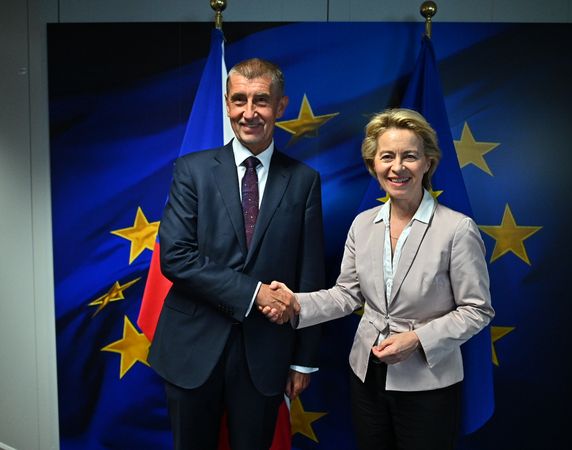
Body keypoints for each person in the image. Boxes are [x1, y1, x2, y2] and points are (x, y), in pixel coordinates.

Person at [263, 108, 494, 450]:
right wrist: (295, 302)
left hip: (428, 384)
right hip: (366, 375)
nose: (397, 167)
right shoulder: (362, 224)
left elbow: (477, 310)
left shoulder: (457, 229)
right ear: (373, 164)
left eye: (409, 156)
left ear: (428, 162)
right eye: (387, 156)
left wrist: (416, 339)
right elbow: (346, 295)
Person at [148, 58, 325, 450]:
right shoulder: (192, 171)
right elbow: (175, 257)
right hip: (192, 348)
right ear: (227, 104)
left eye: (261, 100)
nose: (249, 112)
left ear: (280, 106)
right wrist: (255, 294)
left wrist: (302, 358)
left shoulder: (304, 181)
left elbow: (310, 273)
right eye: (240, 100)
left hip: (266, 354)